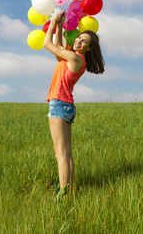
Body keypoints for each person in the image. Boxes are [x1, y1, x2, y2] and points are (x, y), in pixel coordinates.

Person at [44, 11, 104, 203]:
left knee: (61, 154)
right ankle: (68, 191)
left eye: (84, 41)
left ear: (89, 47)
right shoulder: (74, 58)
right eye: (79, 37)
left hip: (59, 105)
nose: (78, 41)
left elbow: (48, 45)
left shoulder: (75, 58)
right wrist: (61, 26)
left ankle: (62, 195)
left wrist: (52, 22)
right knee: (67, 154)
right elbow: (59, 48)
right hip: (66, 106)